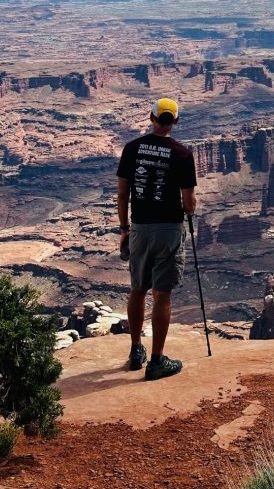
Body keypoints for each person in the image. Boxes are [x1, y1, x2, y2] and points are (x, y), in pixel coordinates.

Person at [116, 97, 197, 381]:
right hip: (169, 230)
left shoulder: (132, 149)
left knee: (137, 288)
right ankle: (157, 361)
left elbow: (123, 195)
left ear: (151, 118)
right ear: (175, 121)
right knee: (162, 294)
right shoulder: (183, 154)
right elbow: (189, 202)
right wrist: (191, 208)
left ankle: (136, 349)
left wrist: (124, 228)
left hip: (139, 227)